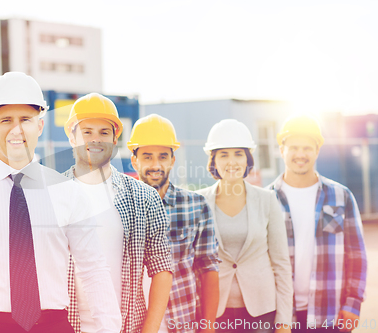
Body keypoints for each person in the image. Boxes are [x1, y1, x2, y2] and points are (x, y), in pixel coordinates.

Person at [0, 72, 121, 333]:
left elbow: (94, 271)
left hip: (53, 326)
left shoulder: (69, 194)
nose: (16, 129)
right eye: (6, 120)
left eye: (25, 119)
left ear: (39, 126)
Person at [62, 93, 174, 333]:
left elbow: (162, 268)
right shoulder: (51, 196)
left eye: (104, 132)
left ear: (114, 139)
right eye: (87, 132)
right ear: (72, 138)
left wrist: (149, 330)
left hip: (128, 328)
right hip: (65, 327)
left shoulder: (144, 197)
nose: (96, 139)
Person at [267, 115, 367, 333]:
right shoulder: (265, 200)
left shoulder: (342, 196)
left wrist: (353, 305)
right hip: (280, 316)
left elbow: (357, 254)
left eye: (307, 148)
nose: (300, 154)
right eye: (293, 147)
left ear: (317, 151)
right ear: (282, 150)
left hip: (329, 314)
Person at [196, 119, 293, 333]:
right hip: (215, 314)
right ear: (213, 160)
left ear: (247, 158)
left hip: (261, 313)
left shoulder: (267, 200)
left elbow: (281, 265)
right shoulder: (198, 202)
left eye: (238, 153)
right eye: (224, 154)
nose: (232, 161)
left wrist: (284, 321)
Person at [128, 114, 221, 333]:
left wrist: (208, 329)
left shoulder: (196, 205)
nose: (155, 164)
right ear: (135, 160)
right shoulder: (120, 207)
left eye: (162, 156)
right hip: (133, 326)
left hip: (181, 322)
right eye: (147, 157)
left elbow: (208, 268)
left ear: (172, 159)